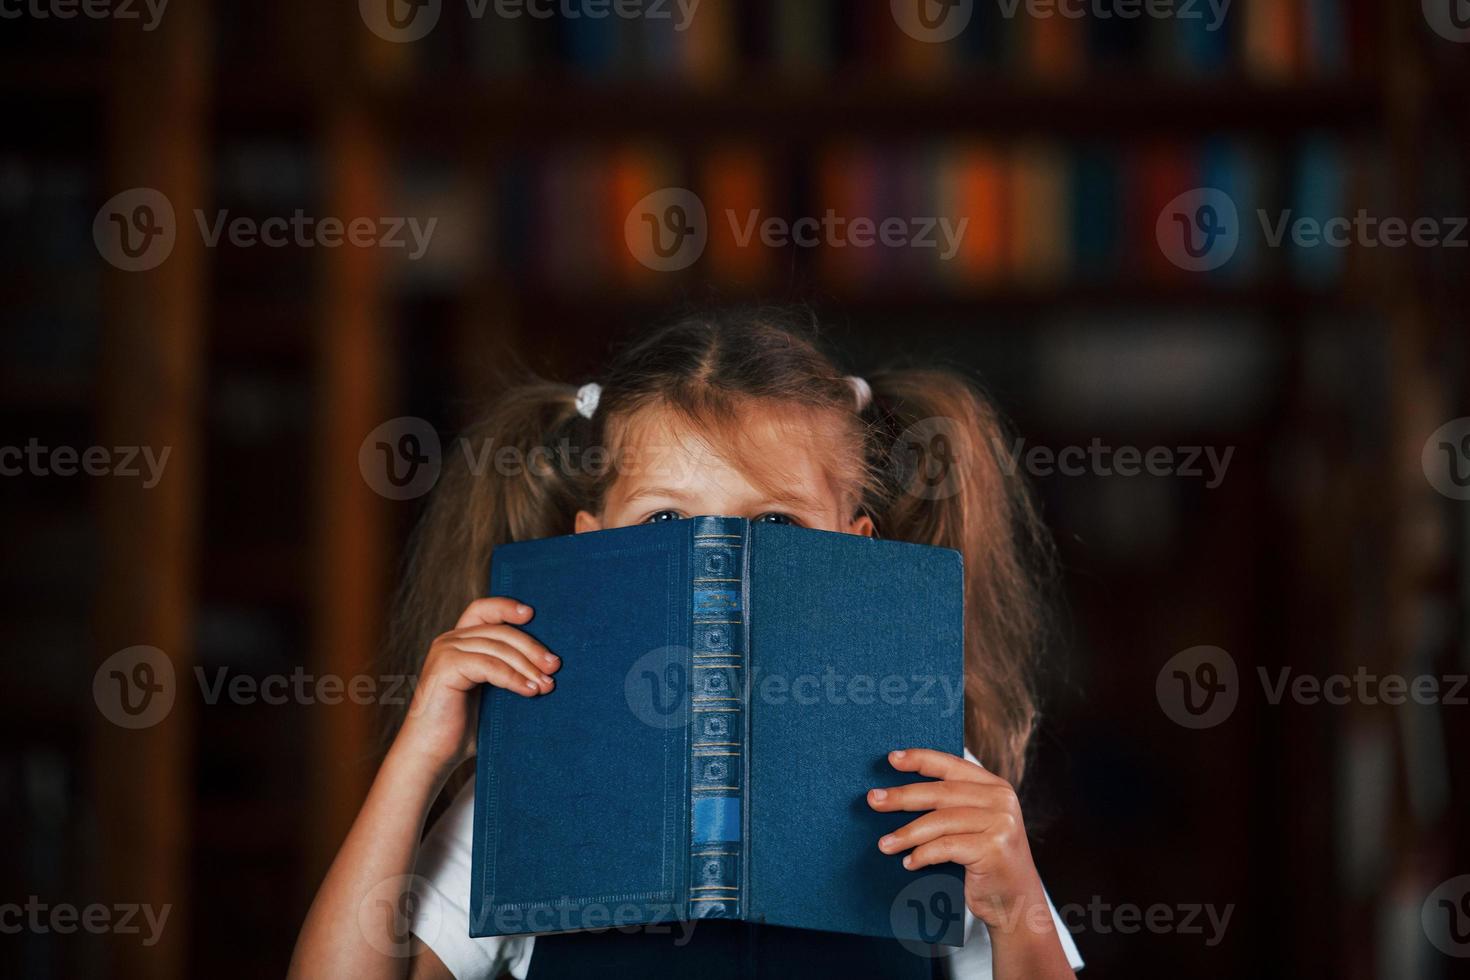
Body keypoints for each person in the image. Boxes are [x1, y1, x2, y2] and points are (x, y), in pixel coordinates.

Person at [290, 308, 1084, 979]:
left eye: (776, 524)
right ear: (592, 547)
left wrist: (1013, 899)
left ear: (856, 551)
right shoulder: (534, 784)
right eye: (666, 523)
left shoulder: (933, 784)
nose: (719, 571)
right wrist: (418, 757)